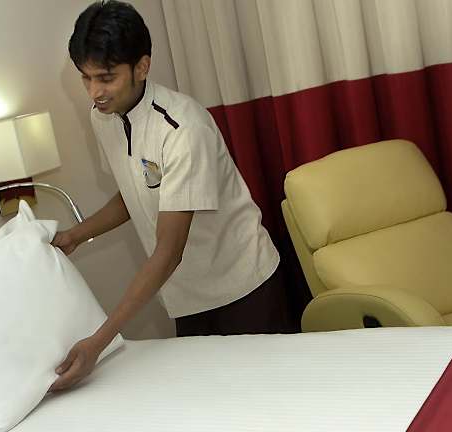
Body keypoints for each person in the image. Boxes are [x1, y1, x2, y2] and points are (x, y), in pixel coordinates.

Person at [48, 0, 287, 392]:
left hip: (244, 290)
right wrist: (76, 235)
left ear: (142, 67)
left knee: (272, 399)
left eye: (106, 78)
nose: (94, 92)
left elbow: (169, 250)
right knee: (212, 402)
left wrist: (99, 341)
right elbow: (136, 191)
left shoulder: (182, 128)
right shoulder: (104, 117)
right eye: (85, 78)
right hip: (186, 297)